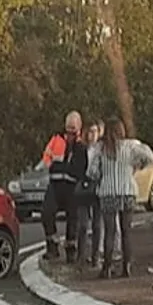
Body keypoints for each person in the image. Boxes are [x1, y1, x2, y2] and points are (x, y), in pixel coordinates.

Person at [94, 117, 153, 278]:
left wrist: (101, 175)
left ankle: (106, 267)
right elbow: (150, 156)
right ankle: (126, 266)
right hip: (128, 190)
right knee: (126, 231)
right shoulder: (130, 146)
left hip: (108, 191)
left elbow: (92, 171)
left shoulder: (100, 148)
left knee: (110, 231)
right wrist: (138, 166)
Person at [40, 111, 89, 262]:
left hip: (71, 188)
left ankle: (70, 250)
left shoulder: (81, 148)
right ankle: (52, 246)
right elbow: (47, 157)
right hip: (55, 184)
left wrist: (62, 168)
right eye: (68, 129)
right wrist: (54, 167)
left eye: (73, 129)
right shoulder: (57, 139)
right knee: (46, 213)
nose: (70, 133)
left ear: (79, 129)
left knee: (72, 219)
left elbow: (79, 170)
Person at [76, 123, 103, 266]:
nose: (92, 135)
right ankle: (81, 256)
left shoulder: (102, 150)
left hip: (97, 188)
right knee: (82, 225)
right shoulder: (80, 149)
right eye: (89, 132)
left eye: (95, 131)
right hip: (83, 189)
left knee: (97, 225)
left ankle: (95, 256)